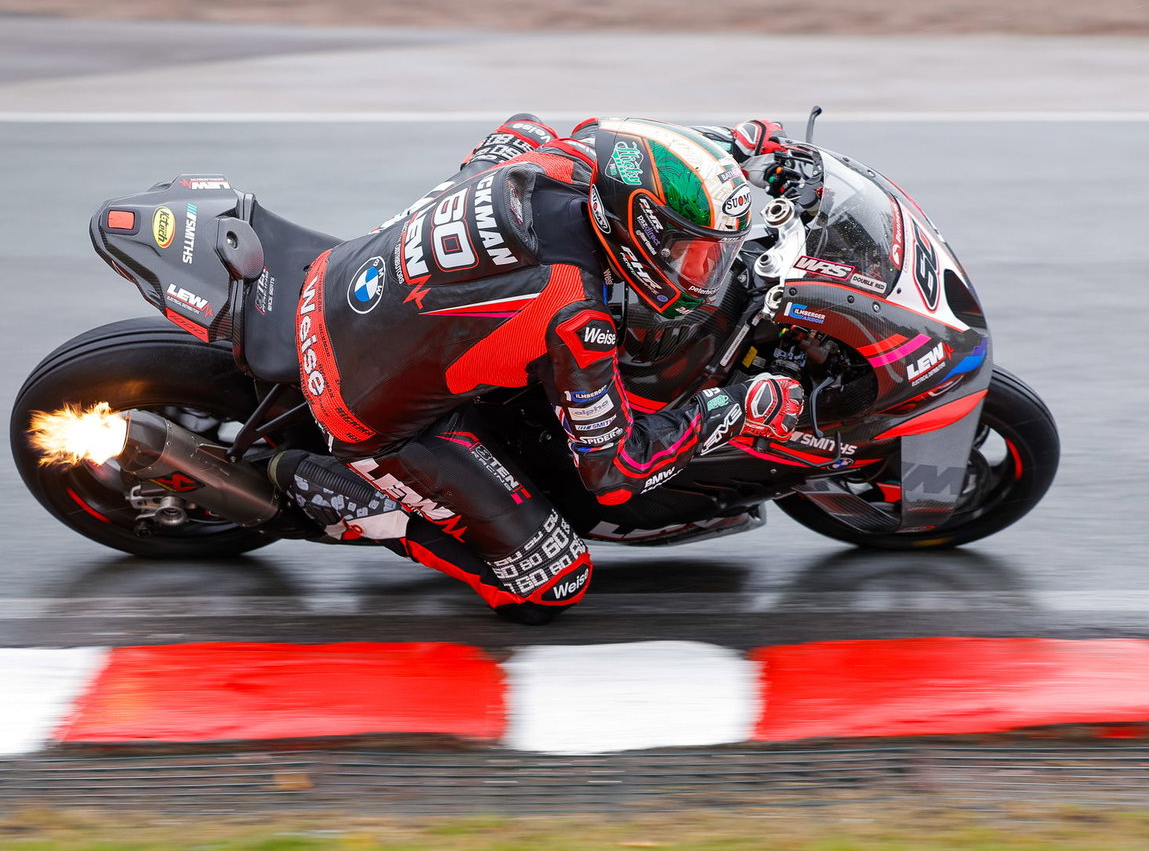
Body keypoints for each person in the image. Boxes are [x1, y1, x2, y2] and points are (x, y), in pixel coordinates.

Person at [269, 115, 807, 624]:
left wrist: (729, 149)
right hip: (364, 408)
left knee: (524, 132)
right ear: (643, 235)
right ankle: (345, 497)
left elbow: (625, 146)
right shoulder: (575, 315)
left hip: (338, 274)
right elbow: (616, 475)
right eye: (695, 254)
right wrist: (735, 408)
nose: (708, 271)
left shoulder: (572, 163)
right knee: (551, 583)